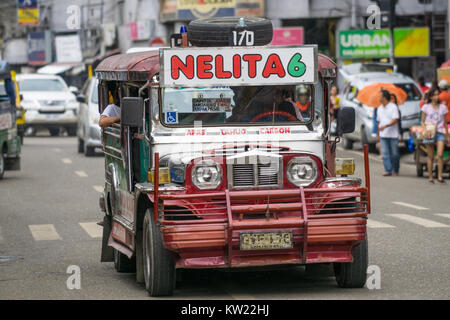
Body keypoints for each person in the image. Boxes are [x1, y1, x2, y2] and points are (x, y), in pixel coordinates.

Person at [421, 87, 449, 183]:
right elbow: (422, 121)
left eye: (437, 94)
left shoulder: (443, 107)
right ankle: (430, 176)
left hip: (440, 132)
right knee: (431, 156)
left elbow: (445, 123)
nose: (436, 97)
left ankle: (440, 176)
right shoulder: (426, 107)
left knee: (440, 155)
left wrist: (447, 136)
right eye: (434, 95)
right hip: (430, 133)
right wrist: (425, 131)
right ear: (431, 96)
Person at [377, 89, 400, 176]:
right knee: (385, 153)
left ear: (384, 97)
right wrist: (378, 134)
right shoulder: (379, 108)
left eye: (380, 96)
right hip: (383, 135)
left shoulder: (393, 107)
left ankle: (396, 168)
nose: (379, 98)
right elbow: (378, 121)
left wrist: (385, 126)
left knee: (395, 154)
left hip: (393, 135)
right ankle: (388, 170)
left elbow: (395, 120)